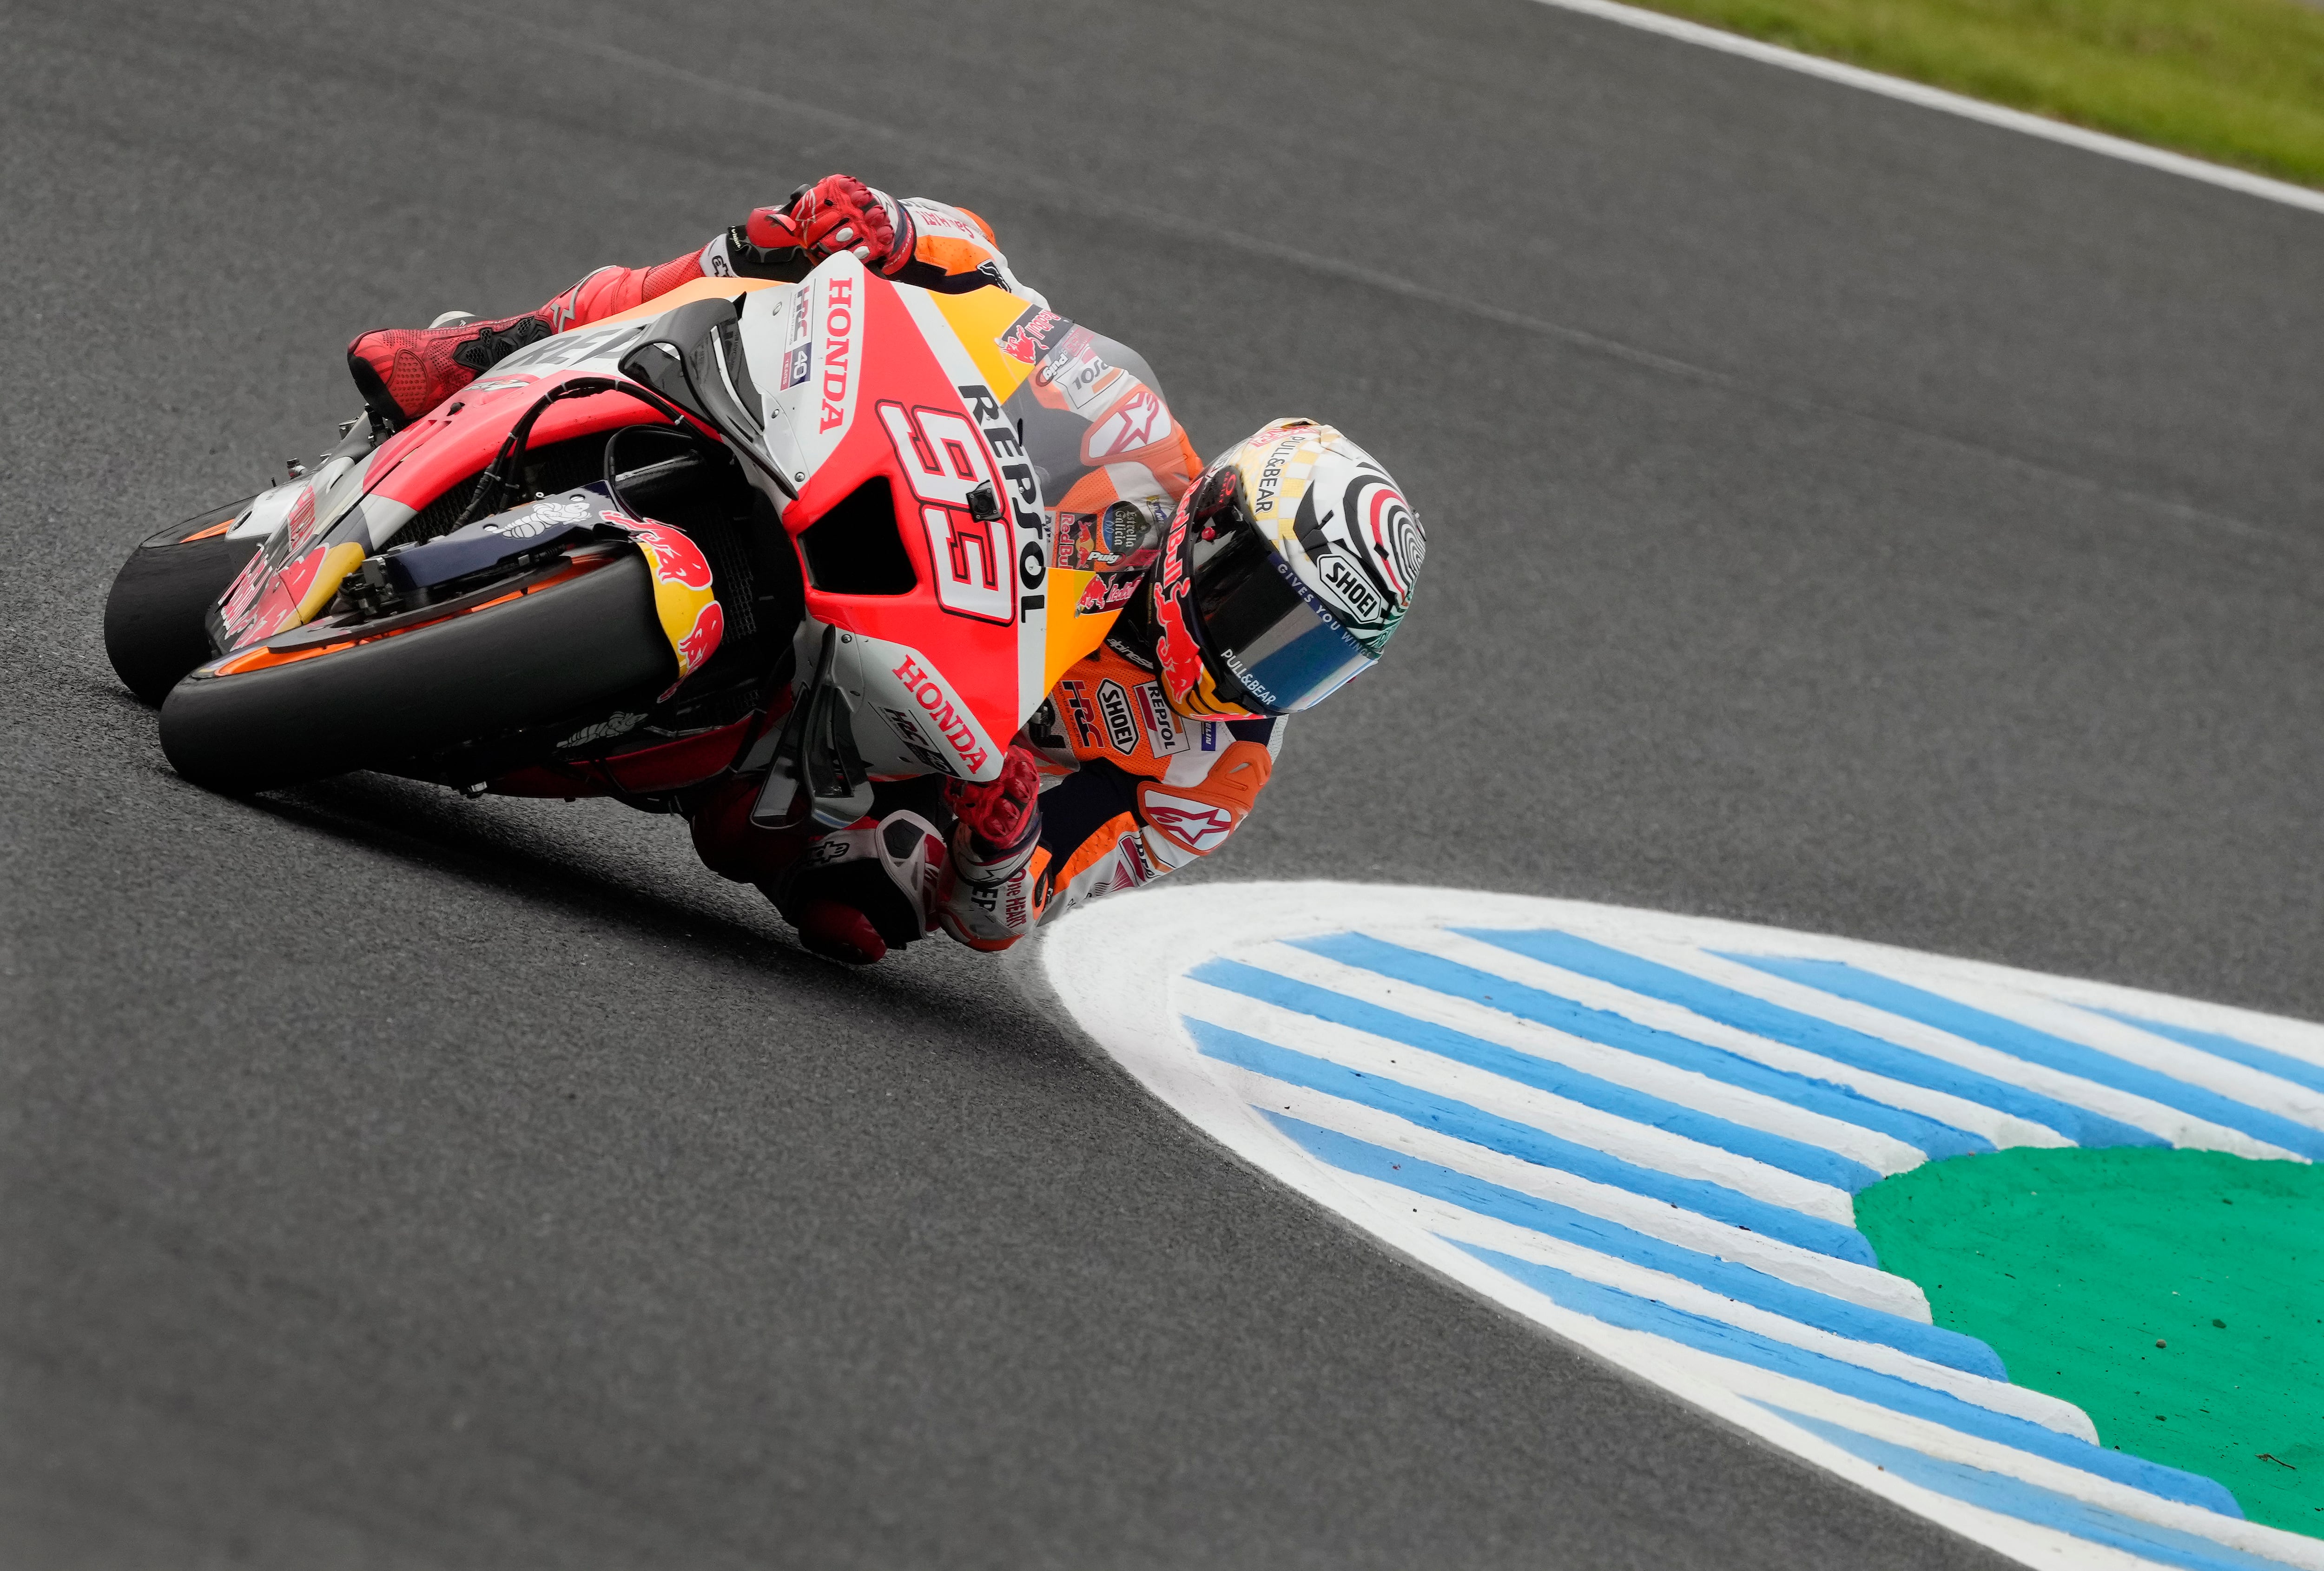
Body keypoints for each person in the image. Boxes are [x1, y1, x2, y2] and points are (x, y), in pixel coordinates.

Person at [345, 175, 1426, 964]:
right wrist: (891, 228)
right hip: (882, 519)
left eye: (1310, 658)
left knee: (868, 911)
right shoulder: (1135, 443)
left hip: (890, 746)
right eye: (1270, 614)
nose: (1262, 665)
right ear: (1218, 526)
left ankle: (602, 730)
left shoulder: (1213, 772)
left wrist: (1003, 840)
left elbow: (1010, 917)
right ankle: (489, 346)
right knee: (781, 243)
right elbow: (997, 287)